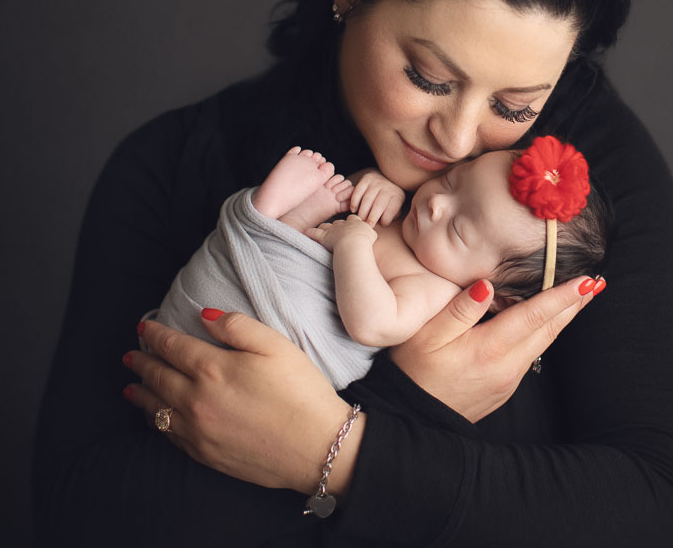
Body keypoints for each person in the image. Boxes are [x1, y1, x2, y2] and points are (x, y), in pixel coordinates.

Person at [34, 0, 673, 546]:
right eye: (428, 77)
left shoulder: (576, 180)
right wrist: (396, 415)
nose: (455, 142)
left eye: (515, 106)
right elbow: (81, 513)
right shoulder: (173, 164)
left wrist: (345, 447)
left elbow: (666, 515)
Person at [152, 141, 608, 388]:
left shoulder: (434, 290)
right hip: (262, 270)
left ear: (494, 296)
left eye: (460, 230)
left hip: (276, 324)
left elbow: (371, 324)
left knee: (305, 234)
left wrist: (352, 242)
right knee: (325, 204)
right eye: (452, 179)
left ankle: (273, 218)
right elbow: (358, 212)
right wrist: (372, 186)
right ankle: (273, 218)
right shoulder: (415, 217)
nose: (435, 204)